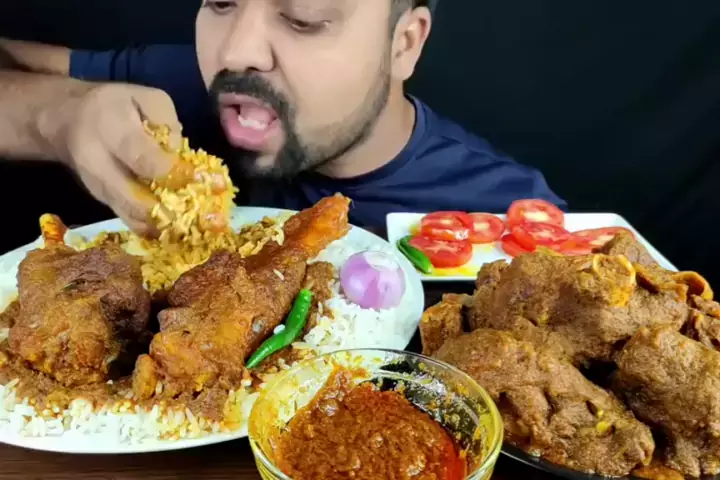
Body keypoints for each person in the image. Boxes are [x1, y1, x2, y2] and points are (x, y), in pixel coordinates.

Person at [0, 0, 565, 233]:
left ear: (404, 44)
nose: (234, 52)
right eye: (221, 3)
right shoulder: (172, 85)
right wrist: (56, 116)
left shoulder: (510, 214)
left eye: (302, 18)